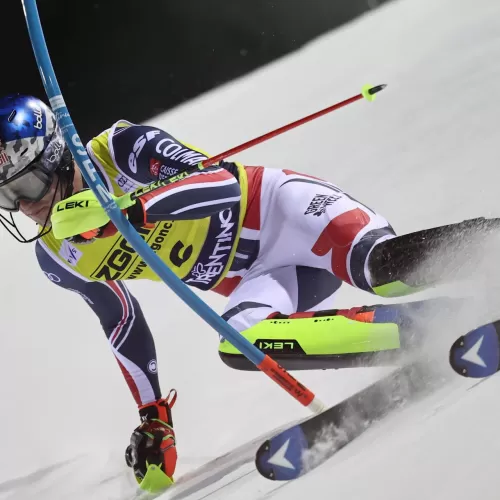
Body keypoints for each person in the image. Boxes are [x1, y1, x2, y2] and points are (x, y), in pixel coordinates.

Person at [0, 94, 496, 491]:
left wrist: (126, 212)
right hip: (263, 276)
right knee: (239, 341)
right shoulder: (57, 255)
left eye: (26, 187)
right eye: (6, 197)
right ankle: (433, 328)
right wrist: (154, 417)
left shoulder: (119, 150)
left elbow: (219, 184)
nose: (24, 208)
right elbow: (120, 319)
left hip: (285, 212)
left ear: (54, 157)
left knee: (378, 268)